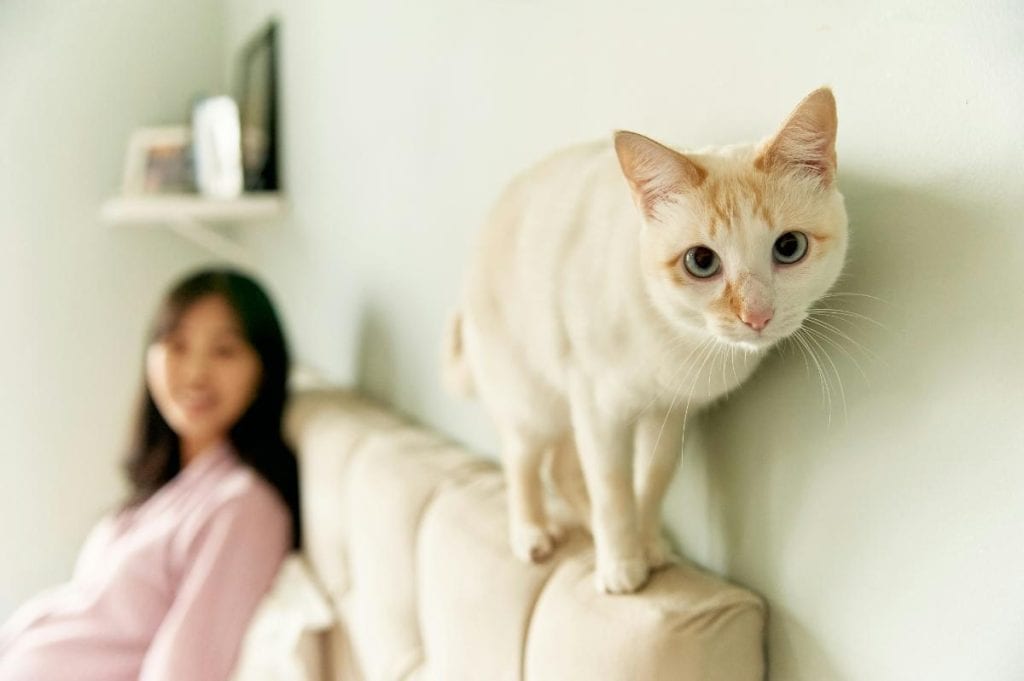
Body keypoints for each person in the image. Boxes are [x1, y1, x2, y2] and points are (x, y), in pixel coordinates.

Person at [0, 269, 301, 680]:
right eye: (176, 345)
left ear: (263, 371)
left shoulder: (244, 507)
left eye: (225, 351)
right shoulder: (173, 486)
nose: (195, 373)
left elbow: (187, 669)